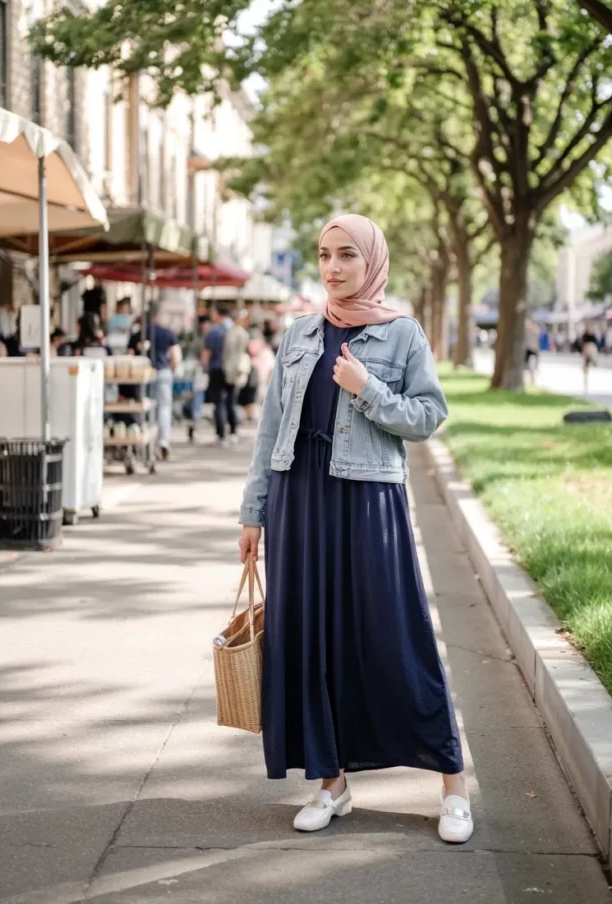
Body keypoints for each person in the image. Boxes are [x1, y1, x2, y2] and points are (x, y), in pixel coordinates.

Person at [238, 214, 471, 844]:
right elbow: (269, 431)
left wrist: (369, 390)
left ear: (371, 259)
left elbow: (428, 416)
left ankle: (452, 784)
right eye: (324, 255)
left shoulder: (402, 334)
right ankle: (331, 782)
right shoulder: (299, 333)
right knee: (310, 640)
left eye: (347, 255)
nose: (334, 267)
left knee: (395, 636)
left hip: (367, 499)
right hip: (298, 499)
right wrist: (252, 511)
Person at [129, 306, 181, 461]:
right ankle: (163, 441)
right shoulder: (167, 333)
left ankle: (145, 441)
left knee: (146, 408)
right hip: (164, 371)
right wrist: (171, 370)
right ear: (157, 317)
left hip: (144, 373)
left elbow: (130, 356)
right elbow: (175, 356)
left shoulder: (138, 334)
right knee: (164, 408)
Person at [202, 304, 237, 446]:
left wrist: (204, 367)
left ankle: (222, 435)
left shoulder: (214, 330)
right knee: (231, 401)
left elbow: (206, 352)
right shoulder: (235, 329)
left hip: (217, 370)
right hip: (234, 370)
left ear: (218, 313)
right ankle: (234, 432)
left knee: (219, 402)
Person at [581, 324, 599, 391]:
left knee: (592, 350)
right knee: (586, 364)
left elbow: (595, 344)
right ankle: (585, 372)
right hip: (587, 350)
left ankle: (594, 362)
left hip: (591, 349)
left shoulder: (593, 336)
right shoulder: (585, 336)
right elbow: (583, 344)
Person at [525, 320, 540, 384]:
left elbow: (538, 334)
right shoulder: (525, 332)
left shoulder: (535, 331)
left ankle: (533, 380)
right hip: (528, 350)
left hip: (533, 351)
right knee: (527, 367)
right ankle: (530, 379)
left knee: (532, 366)